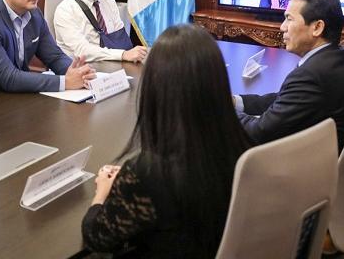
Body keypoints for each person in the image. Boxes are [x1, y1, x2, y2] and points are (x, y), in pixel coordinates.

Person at [82, 24, 251, 258]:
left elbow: (97, 236)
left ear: (155, 87)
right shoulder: (243, 145)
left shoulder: (147, 172)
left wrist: (102, 192)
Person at [236, 0, 344, 153]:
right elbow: (283, 100)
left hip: (307, 169)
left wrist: (222, 109)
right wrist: (237, 102)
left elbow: (259, 133)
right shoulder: (336, 58)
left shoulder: (312, 76)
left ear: (317, 27)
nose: (282, 27)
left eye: (289, 19)